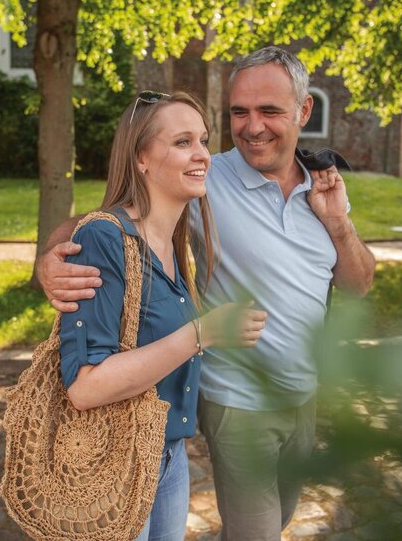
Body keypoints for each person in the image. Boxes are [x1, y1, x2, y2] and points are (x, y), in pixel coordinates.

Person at [39, 47, 376, 540]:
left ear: (304, 111)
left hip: (304, 395)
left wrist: (339, 223)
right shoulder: (203, 175)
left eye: (270, 111)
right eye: (239, 111)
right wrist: (50, 261)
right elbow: (100, 223)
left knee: (277, 519)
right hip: (237, 400)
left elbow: (359, 284)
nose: (252, 126)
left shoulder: (323, 188)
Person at [55, 90, 267, 541]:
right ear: (141, 159)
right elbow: (84, 386)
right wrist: (203, 333)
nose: (203, 155)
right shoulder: (105, 239)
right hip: (115, 461)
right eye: (183, 142)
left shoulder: (173, 244)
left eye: (204, 141)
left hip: (169, 458)